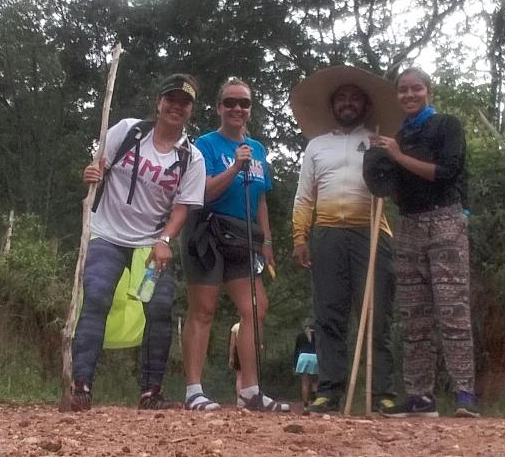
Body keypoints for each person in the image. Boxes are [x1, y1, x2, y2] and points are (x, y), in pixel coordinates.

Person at [71, 74, 207, 412]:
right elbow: (98, 166)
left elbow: (182, 208)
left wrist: (164, 240)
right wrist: (91, 172)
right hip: (107, 232)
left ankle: (151, 393)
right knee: (97, 299)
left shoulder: (192, 158)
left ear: (190, 110)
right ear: (159, 103)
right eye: (171, 99)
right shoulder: (128, 131)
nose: (176, 106)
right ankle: (80, 387)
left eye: (184, 102)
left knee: (160, 309)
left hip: (152, 241)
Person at [289, 65, 405, 415]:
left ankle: (381, 392)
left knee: (376, 314)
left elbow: (396, 191)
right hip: (326, 233)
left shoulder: (379, 141)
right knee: (328, 315)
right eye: (342, 98)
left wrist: (386, 158)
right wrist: (299, 237)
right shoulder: (316, 147)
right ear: (333, 106)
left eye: (355, 98)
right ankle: (329, 391)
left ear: (365, 105)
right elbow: (304, 196)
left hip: (371, 232)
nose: (348, 103)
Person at [370, 67, 479, 419]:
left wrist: (398, 155)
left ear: (428, 90)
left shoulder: (447, 125)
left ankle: (465, 394)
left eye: (416, 89)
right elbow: (395, 190)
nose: (409, 95)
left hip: (445, 220)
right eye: (402, 91)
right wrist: (380, 164)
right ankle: (420, 397)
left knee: (452, 311)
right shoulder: (399, 134)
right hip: (409, 226)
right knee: (414, 317)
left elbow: (446, 172)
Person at [179, 78, 288, 412]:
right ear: (219, 108)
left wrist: (267, 240)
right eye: (230, 103)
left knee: (256, 307)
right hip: (207, 232)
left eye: (244, 103)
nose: (237, 109)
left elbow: (261, 199)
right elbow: (204, 192)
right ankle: (194, 390)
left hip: (244, 236)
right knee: (204, 309)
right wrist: (235, 166)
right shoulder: (205, 145)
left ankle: (250, 390)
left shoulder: (258, 149)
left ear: (250, 109)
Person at [293, 322, 318, 408]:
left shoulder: (300, 336)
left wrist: (295, 365)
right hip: (315, 357)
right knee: (315, 381)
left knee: (304, 383)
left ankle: (305, 405)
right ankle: (315, 400)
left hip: (303, 358)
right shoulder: (318, 335)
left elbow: (296, 351)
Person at [228, 322, 243, 397]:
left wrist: (231, 357)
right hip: (250, 352)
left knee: (239, 377)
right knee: (251, 377)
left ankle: (239, 398)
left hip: (238, 351)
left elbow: (232, 344)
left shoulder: (236, 326)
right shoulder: (251, 326)